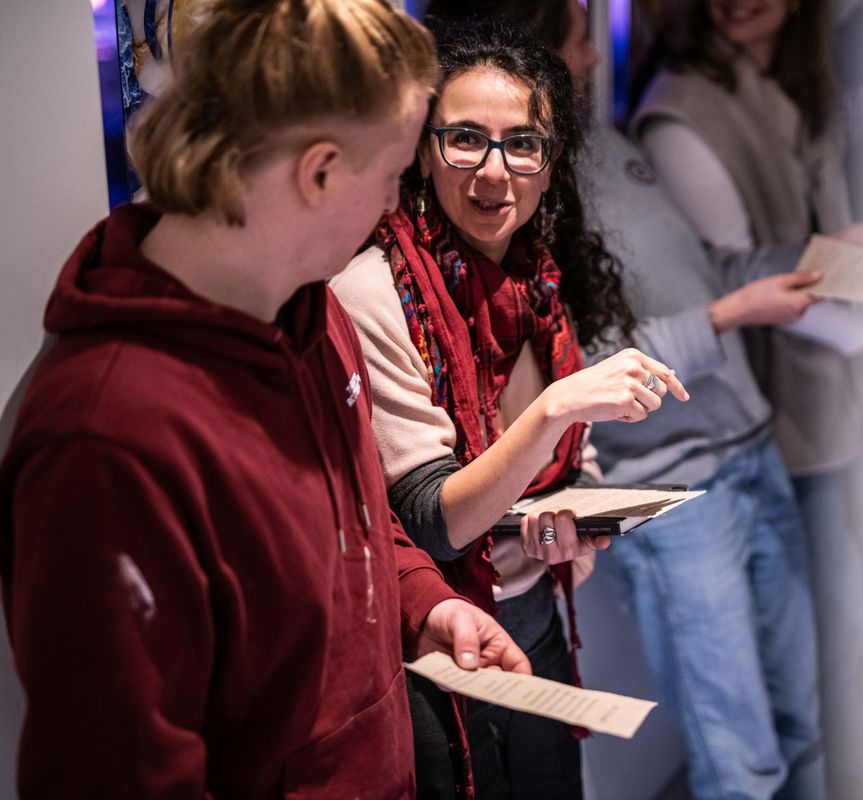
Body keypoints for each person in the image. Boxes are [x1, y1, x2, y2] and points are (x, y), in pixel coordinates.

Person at [0, 2, 530, 796]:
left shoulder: (312, 315)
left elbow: (353, 519)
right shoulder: (105, 437)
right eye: (388, 177)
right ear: (317, 173)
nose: (393, 207)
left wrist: (422, 604)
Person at [423, 2, 830, 798]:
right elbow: (589, 370)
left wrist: (812, 263)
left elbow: (705, 270)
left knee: (802, 727)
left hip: (749, 449)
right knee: (741, 764)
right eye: (575, 33)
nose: (590, 50)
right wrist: (725, 318)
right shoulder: (517, 196)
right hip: (674, 493)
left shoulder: (608, 144)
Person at [331, 21, 687, 800]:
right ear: (424, 150)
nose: (495, 173)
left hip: (538, 621)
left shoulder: (539, 282)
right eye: (465, 139)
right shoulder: (373, 292)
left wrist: (582, 531)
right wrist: (555, 407)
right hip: (441, 642)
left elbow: (577, 469)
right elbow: (432, 517)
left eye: (522, 144)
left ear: (549, 163)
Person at [631, 2, 863, 795]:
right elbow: (741, 276)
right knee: (763, 730)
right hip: (762, 421)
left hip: (810, 411)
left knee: (820, 669)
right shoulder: (677, 114)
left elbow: (808, 242)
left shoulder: (788, 82)